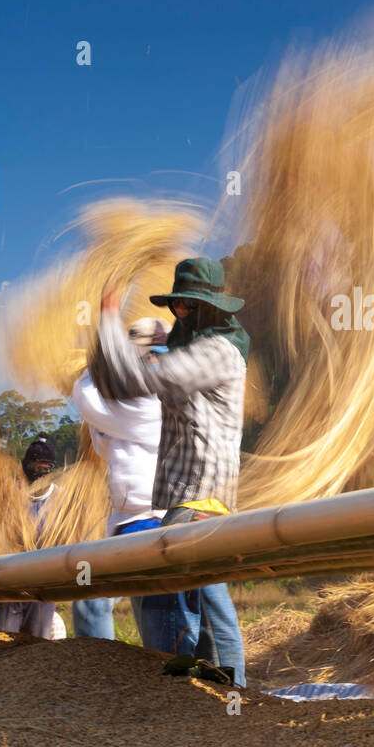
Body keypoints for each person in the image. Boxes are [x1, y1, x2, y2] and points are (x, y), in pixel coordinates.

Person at [91, 257, 248, 686]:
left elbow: (139, 382)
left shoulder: (216, 352)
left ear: (212, 308)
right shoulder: (194, 345)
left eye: (189, 306)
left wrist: (108, 319)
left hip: (205, 496)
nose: (179, 314)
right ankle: (223, 695)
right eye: (176, 305)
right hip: (193, 495)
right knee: (208, 598)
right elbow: (122, 382)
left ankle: (176, 690)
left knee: (163, 586)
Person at [68, 317, 169, 640]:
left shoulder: (151, 400)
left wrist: (87, 370)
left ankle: (109, 676)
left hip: (152, 521)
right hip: (134, 521)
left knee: (149, 612)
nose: (151, 361)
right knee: (149, 609)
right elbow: (105, 444)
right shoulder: (131, 402)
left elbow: (89, 403)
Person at [0, 436, 60, 639]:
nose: (40, 471)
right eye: (35, 466)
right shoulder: (9, 496)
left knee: (36, 643)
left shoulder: (60, 499)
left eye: (45, 467)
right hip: (11, 580)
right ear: (25, 466)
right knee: (2, 639)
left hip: (44, 582)